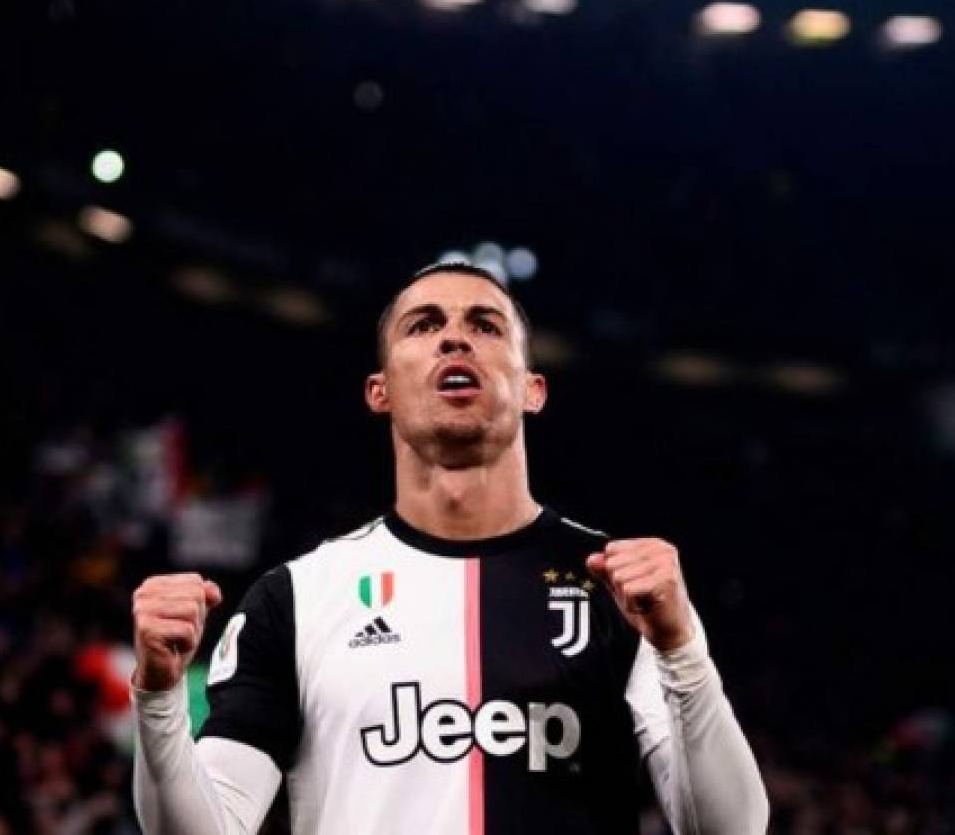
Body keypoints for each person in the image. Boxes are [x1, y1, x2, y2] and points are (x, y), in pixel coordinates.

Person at [131, 261, 769, 835]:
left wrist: (680, 649)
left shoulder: (623, 589)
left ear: (533, 389)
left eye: (486, 326)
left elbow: (733, 828)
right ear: (379, 390)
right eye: (424, 325)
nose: (455, 339)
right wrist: (158, 696)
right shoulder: (295, 599)